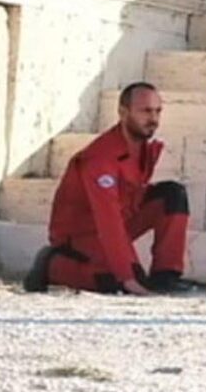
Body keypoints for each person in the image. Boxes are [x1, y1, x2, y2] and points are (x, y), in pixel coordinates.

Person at [26, 83, 190, 295]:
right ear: (123, 112)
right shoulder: (100, 158)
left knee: (172, 195)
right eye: (145, 111)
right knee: (118, 283)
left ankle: (166, 276)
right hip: (82, 235)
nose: (153, 119)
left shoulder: (141, 148)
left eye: (158, 111)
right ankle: (51, 265)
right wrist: (127, 277)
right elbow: (107, 219)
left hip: (121, 221)